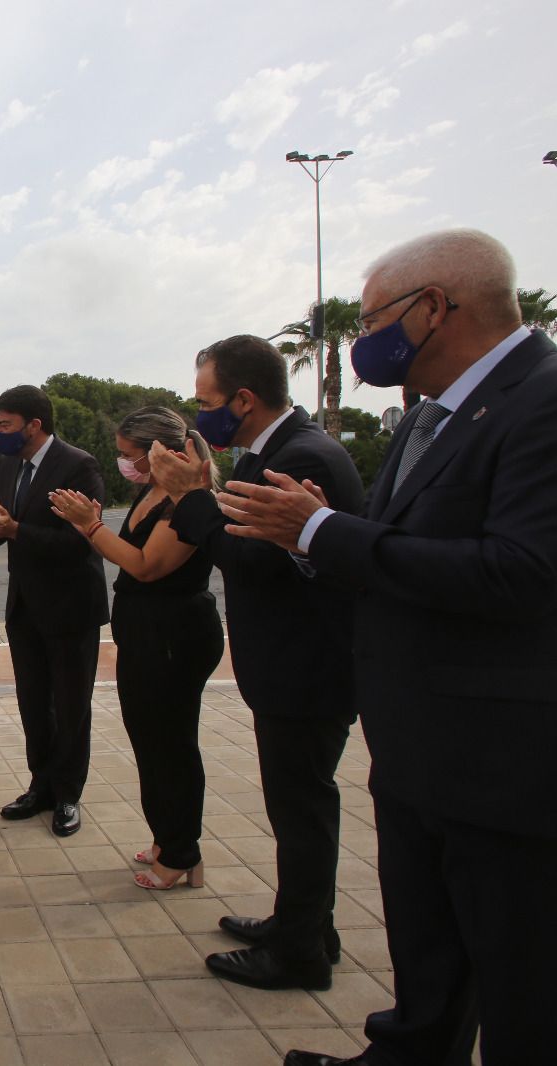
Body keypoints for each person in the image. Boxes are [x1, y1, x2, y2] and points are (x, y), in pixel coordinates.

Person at [215, 229, 557, 1066]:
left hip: (517, 771)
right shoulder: (433, 414)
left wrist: (321, 530)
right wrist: (313, 540)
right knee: (431, 966)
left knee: (529, 999)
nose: (360, 340)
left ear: (435, 307)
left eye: (370, 320)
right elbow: (394, 565)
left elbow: (523, 574)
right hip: (424, 753)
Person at [148, 335, 363, 992]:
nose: (199, 414)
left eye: (206, 401)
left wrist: (190, 497)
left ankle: (300, 952)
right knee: (295, 807)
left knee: (301, 809)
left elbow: (249, 557)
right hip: (290, 665)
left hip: (307, 668)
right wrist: (203, 494)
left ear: (243, 398)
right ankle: (303, 923)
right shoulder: (266, 453)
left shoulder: (299, 460)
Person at [48, 406, 223, 891]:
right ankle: (170, 839)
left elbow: (146, 565)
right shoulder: (154, 491)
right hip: (146, 633)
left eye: (130, 455)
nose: (124, 464)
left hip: (174, 636)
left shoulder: (189, 502)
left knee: (171, 745)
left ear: (159, 451)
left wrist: (90, 526)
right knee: (150, 741)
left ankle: (182, 853)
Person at [0, 385, 107, 837]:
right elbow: (8, 525)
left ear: (34, 425)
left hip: (70, 607)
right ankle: (41, 786)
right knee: (32, 704)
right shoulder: (9, 464)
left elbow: (81, 541)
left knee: (70, 706)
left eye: (5, 425)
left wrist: (15, 529)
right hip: (25, 607)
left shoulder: (78, 466)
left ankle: (68, 794)